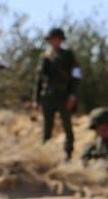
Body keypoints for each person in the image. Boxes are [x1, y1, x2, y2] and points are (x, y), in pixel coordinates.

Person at [31, 27, 82, 162]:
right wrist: (36, 99)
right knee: (47, 127)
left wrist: (72, 95)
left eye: (57, 39)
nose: (54, 41)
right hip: (48, 96)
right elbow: (39, 79)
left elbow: (76, 76)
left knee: (67, 126)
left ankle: (68, 153)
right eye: (52, 39)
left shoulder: (68, 55)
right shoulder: (45, 56)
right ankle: (45, 154)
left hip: (64, 95)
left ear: (61, 40)